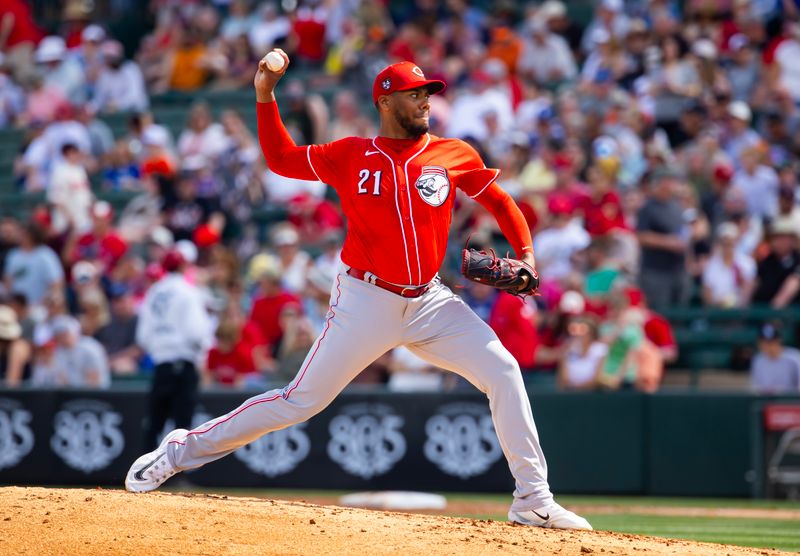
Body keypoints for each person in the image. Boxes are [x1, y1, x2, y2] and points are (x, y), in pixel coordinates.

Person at [124, 53, 591, 531]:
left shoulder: (454, 153)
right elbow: (281, 159)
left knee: (503, 370)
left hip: (429, 299)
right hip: (365, 300)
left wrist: (528, 256)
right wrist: (265, 96)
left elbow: (500, 201)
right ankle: (182, 450)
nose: (425, 101)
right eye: (415, 94)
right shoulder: (350, 155)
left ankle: (532, 499)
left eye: (427, 93)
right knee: (298, 401)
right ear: (385, 101)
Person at [135, 250, 214, 451]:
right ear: (183, 266)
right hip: (183, 361)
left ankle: (143, 472)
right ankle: (178, 476)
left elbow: (142, 337)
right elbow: (196, 332)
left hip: (161, 363)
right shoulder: (188, 290)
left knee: (154, 421)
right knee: (182, 423)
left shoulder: (154, 291)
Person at [750, 321, 800, 394]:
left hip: (789, 401)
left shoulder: (794, 357)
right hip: (765, 401)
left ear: (779, 341)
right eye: (764, 342)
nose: (767, 346)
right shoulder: (758, 359)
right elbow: (755, 388)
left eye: (771, 342)